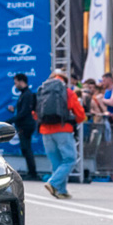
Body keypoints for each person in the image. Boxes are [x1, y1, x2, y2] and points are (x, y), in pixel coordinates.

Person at [36, 70, 85, 199]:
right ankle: (53, 182)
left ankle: (61, 190)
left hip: (45, 131)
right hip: (63, 130)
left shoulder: (42, 90)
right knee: (70, 159)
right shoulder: (67, 92)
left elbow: (35, 113)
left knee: (56, 162)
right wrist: (76, 120)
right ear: (65, 80)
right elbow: (80, 114)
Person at [8, 73, 39, 180]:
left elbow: (24, 112)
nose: (15, 85)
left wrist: (10, 121)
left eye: (16, 83)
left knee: (26, 148)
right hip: (24, 124)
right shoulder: (25, 94)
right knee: (25, 149)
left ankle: (32, 172)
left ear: (21, 81)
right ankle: (31, 171)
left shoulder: (27, 95)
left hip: (26, 125)